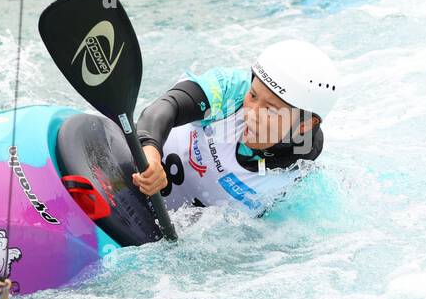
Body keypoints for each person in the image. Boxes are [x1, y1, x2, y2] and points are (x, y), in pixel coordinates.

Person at [130, 40, 337, 213]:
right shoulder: (232, 92)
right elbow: (168, 106)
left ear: (305, 124)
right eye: (253, 96)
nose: (252, 114)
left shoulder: (296, 185)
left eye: (271, 110)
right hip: (127, 170)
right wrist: (149, 152)